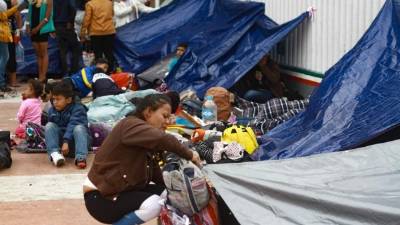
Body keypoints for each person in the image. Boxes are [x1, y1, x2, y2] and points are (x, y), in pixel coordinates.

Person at [83, 94, 201, 225]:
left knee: (170, 194)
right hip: (101, 198)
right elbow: (164, 139)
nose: (168, 121)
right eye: (164, 116)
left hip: (123, 190)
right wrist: (190, 155)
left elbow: (155, 172)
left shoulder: (142, 135)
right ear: (149, 112)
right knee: (154, 204)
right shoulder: (130, 125)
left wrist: (174, 184)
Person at [45, 80, 89, 169]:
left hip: (76, 143)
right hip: (63, 148)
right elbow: (52, 132)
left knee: (79, 128)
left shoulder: (78, 109)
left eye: (58, 99)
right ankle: (55, 154)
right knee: (49, 125)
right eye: (54, 99)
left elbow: (73, 124)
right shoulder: (52, 110)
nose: (55, 102)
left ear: (68, 100)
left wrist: (66, 141)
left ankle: (80, 157)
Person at [80, 0, 116, 72]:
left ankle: (100, 72)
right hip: (109, 31)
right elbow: (112, 14)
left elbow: (87, 20)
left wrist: (82, 33)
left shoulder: (90, 4)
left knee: (98, 54)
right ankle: (111, 71)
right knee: (109, 53)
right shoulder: (109, 2)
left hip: (96, 33)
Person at [0, 0, 27, 92]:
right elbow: (11, 13)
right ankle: (3, 82)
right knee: (6, 57)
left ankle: (5, 81)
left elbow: (12, 12)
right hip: (3, 36)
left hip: (5, 35)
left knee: (5, 58)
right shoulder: (3, 15)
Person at [26, 0, 55, 83]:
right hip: (33, 29)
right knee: (38, 54)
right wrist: (28, 26)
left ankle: (43, 76)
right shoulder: (32, 1)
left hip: (43, 29)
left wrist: (37, 28)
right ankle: (40, 75)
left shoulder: (48, 1)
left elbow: (47, 17)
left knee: (43, 53)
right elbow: (29, 14)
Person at [53, 0, 81, 77]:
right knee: (75, 50)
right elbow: (73, 9)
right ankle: (74, 72)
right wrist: (70, 21)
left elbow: (52, 12)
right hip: (67, 26)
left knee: (62, 51)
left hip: (57, 26)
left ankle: (65, 73)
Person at [5, 0, 22, 88]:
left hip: (9, 32)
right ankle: (12, 81)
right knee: (10, 55)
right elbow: (18, 16)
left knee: (11, 55)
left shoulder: (13, 1)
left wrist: (18, 32)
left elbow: (18, 16)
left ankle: (12, 80)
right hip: (7, 32)